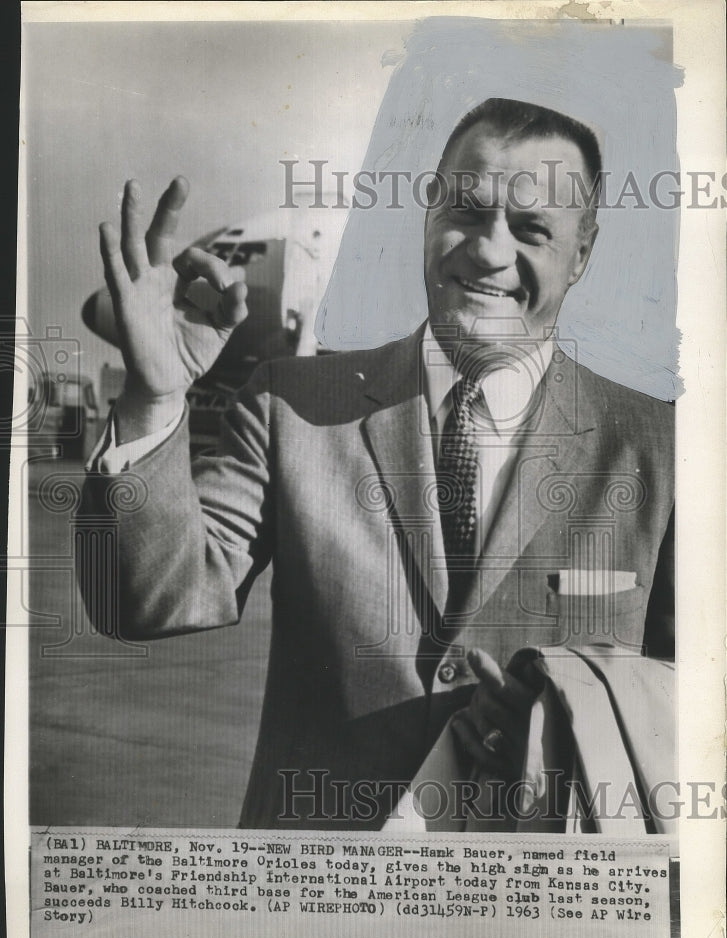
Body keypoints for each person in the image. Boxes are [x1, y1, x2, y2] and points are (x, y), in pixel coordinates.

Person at [80, 99, 674, 830]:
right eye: (465, 209)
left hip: (549, 901)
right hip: (322, 896)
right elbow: (140, 603)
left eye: (530, 230)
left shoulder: (658, 449)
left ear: (579, 254)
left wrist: (573, 700)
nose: (488, 251)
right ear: (426, 212)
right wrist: (152, 397)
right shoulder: (293, 405)